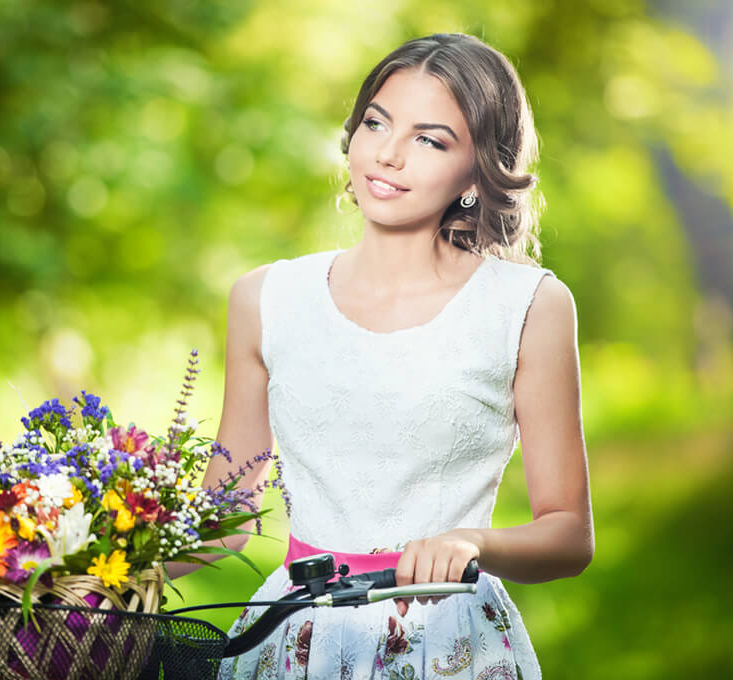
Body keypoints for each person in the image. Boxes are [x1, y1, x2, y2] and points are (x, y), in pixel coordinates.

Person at [173, 32, 594, 679]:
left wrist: (470, 542)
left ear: (477, 171)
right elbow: (226, 516)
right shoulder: (266, 297)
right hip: (294, 635)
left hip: (447, 642)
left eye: (430, 139)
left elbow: (569, 534)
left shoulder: (528, 304)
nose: (389, 154)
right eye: (376, 122)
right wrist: (86, 558)